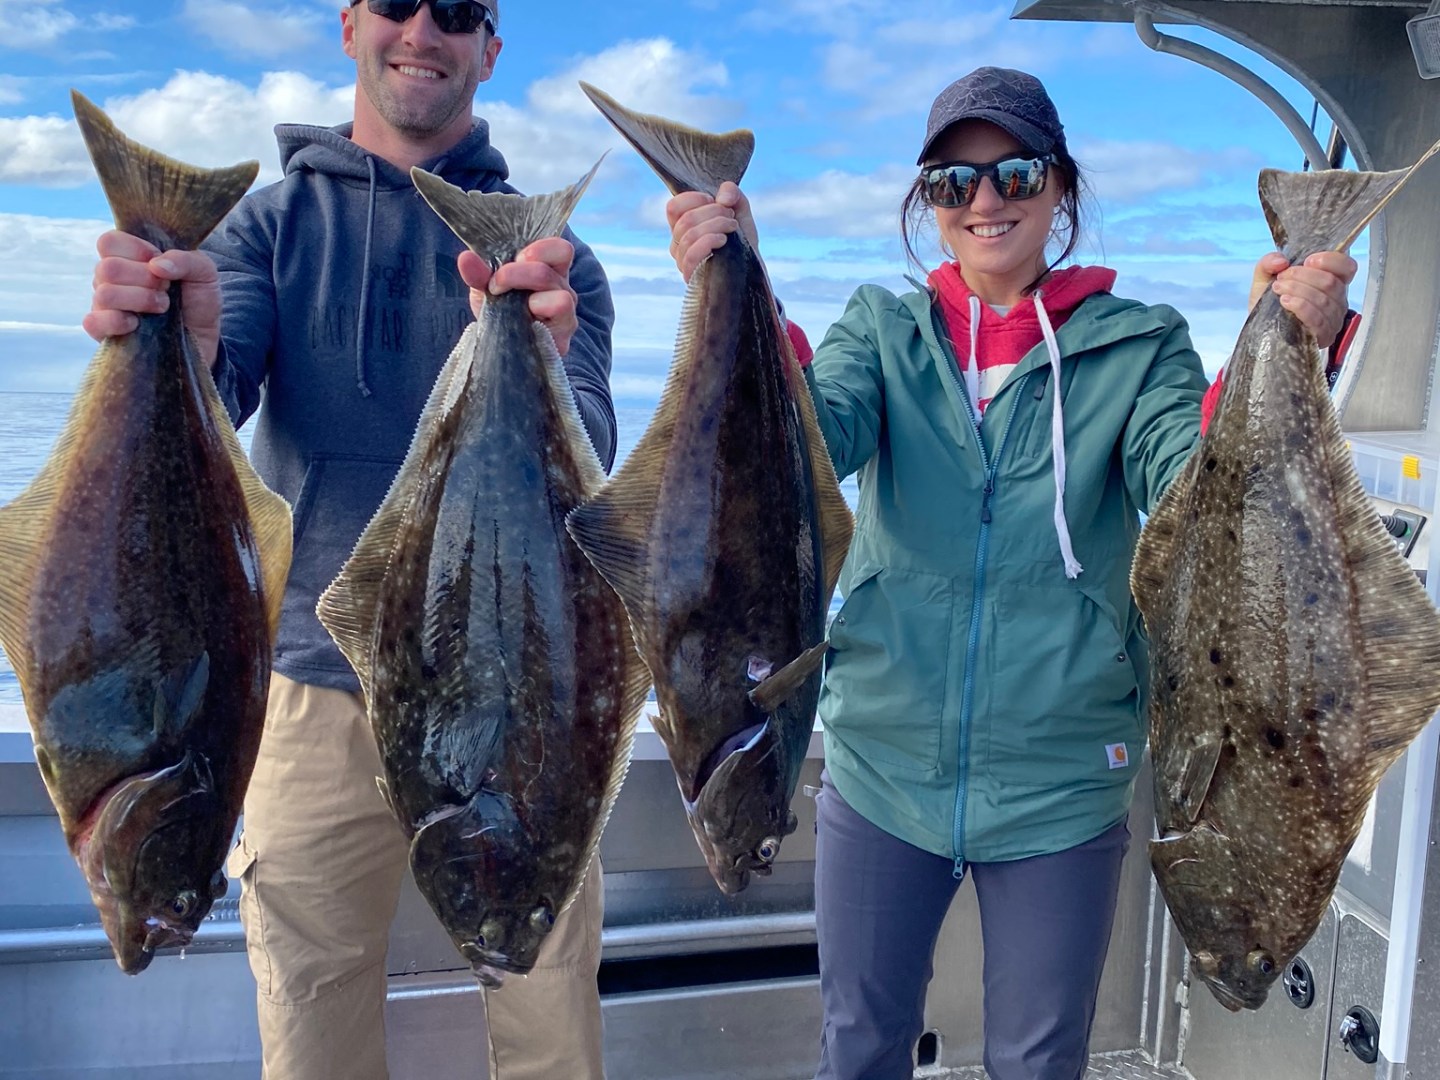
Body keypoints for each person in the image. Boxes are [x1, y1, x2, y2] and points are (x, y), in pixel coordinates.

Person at [665, 67, 1355, 1080]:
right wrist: (741, 291)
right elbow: (805, 442)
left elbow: (1192, 491)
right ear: (929, 205)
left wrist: (1287, 347)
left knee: (1039, 1061)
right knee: (857, 1049)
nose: (984, 201)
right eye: (953, 181)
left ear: (1060, 190)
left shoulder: (1140, 344)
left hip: (1062, 784)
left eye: (1014, 174)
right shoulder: (882, 332)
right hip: (883, 771)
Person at [83, 1, 615, 1078]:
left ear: (490, 47)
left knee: (549, 1016)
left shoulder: (556, 260)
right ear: (348, 25)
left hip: (517, 700)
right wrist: (172, 339)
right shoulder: (267, 227)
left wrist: (545, 360)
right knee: (311, 1028)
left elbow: (593, 450)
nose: (423, 28)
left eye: (459, 9)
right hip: (309, 696)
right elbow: (219, 391)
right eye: (396, 2)